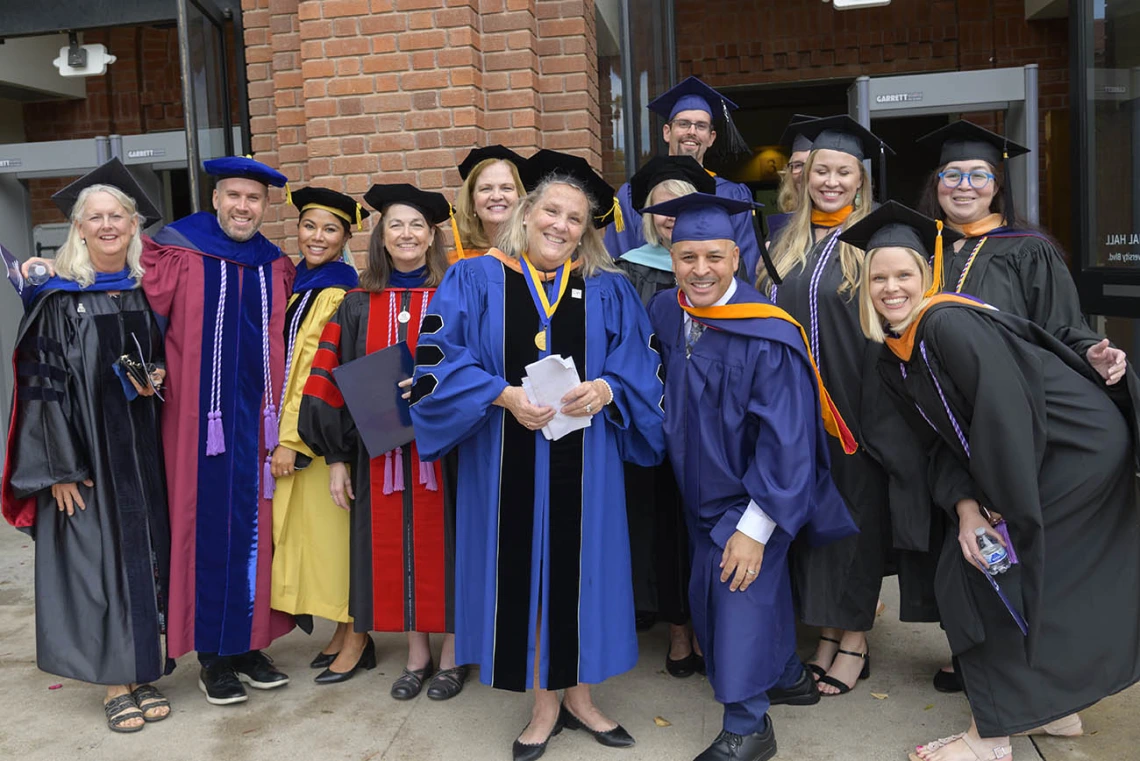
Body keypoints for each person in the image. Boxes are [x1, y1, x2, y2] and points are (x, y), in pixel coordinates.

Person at [850, 201, 1140, 761]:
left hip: (1074, 452)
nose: (891, 287)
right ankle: (1054, 710)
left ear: (926, 276)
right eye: (878, 277)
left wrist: (996, 508)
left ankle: (992, 737)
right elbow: (939, 442)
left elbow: (1005, 415)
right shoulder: (895, 357)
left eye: (903, 274)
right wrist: (965, 507)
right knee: (1023, 574)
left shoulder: (946, 323)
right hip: (1038, 457)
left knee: (987, 574)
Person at [408, 149, 665, 761]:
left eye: (575, 219)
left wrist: (607, 389)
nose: (560, 225)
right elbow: (436, 359)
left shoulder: (608, 288)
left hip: (587, 462)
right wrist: (501, 394)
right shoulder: (473, 278)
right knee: (524, 574)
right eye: (551, 210)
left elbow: (643, 367)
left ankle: (580, 697)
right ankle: (543, 705)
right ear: (527, 212)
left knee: (582, 573)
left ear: (587, 229)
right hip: (503, 459)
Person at [914, 120, 1127, 693]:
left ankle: (1028, 670)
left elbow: (1063, 326)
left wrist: (1095, 355)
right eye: (951, 174)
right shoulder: (923, 250)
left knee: (1012, 540)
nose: (964, 185)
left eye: (978, 175)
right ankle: (975, 653)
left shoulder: (1026, 250)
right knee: (967, 537)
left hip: (1022, 417)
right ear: (936, 182)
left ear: (997, 184)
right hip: (954, 417)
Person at [644, 191, 857, 761]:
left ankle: (748, 726)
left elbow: (788, 442)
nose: (701, 270)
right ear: (671, 257)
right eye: (687, 257)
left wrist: (756, 527)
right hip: (697, 492)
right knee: (742, 596)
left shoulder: (767, 332)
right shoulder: (669, 311)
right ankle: (787, 675)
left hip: (756, 497)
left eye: (714, 256)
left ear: (736, 257)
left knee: (736, 594)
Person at [0, 159, 172, 732]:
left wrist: (156, 377)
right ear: (77, 228)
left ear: (132, 226)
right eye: (94, 217)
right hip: (87, 458)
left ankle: (141, 667)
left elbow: (153, 363)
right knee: (97, 565)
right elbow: (39, 390)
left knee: (140, 561)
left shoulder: (141, 290)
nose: (107, 225)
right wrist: (60, 470)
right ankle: (113, 683)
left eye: (117, 216)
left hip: (140, 452)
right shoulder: (57, 299)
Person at [298, 183, 465, 699]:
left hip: (452, 452)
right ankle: (416, 654)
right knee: (401, 548)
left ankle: (454, 655)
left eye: (417, 224)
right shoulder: (355, 303)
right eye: (396, 224)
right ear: (381, 235)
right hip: (381, 453)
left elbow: (485, 366)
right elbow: (328, 380)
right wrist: (336, 457)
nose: (407, 234)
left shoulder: (458, 295)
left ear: (433, 234)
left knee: (452, 545)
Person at [143, 157, 295, 704]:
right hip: (196, 425)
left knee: (257, 531)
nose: (242, 207)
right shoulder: (177, 251)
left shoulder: (274, 263)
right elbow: (139, 321)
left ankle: (249, 645)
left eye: (253, 199)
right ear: (215, 198)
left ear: (265, 205)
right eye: (233, 195)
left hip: (260, 427)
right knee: (206, 528)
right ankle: (214, 657)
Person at [757, 115, 898, 696]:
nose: (831, 181)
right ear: (805, 176)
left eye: (844, 172)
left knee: (855, 525)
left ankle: (854, 642)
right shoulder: (787, 240)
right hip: (796, 411)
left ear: (860, 181)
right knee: (815, 523)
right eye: (822, 171)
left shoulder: (875, 240)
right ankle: (824, 635)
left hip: (855, 407)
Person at [616, 154, 713, 674]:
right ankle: (677, 629)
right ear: (648, 215)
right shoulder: (628, 268)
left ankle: (704, 623)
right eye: (661, 207)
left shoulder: (710, 268)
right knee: (660, 524)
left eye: (680, 206)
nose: (670, 216)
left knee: (698, 522)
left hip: (704, 421)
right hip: (648, 418)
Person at [267, 187, 365, 680]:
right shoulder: (299, 283)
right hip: (304, 434)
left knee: (336, 542)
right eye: (309, 226)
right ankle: (342, 632)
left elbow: (312, 371)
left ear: (347, 237)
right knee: (317, 541)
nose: (317, 237)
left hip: (318, 438)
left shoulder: (337, 289)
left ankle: (357, 635)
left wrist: (291, 440)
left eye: (330, 229)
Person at [605, 77, 761, 279]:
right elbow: (618, 265)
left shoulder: (733, 195)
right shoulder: (632, 194)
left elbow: (744, 267)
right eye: (683, 124)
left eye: (701, 126)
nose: (692, 132)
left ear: (711, 137)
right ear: (667, 132)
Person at [452, 145, 531, 260]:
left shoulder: (537, 257)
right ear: (472, 202)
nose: (496, 196)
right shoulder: (459, 263)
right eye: (486, 189)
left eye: (506, 188)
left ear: (520, 197)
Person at [767, 114, 816, 241]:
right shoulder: (781, 226)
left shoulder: (856, 222)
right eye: (798, 165)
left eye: (812, 164)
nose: (804, 173)